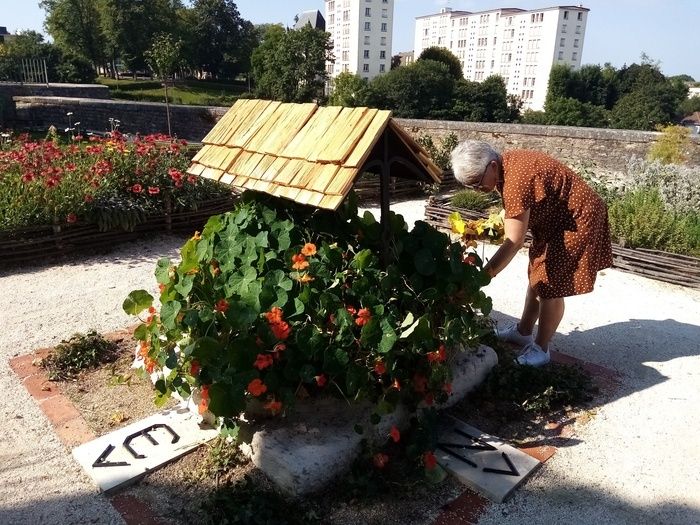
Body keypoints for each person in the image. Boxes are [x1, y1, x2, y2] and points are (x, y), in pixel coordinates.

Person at [450, 140, 613, 366]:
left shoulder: (516, 179)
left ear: (493, 165)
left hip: (576, 219)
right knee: (536, 275)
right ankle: (523, 331)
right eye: (472, 186)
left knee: (550, 284)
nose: (478, 190)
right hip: (555, 220)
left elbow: (514, 241)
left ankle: (541, 349)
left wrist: (483, 276)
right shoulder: (507, 167)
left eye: (478, 182)